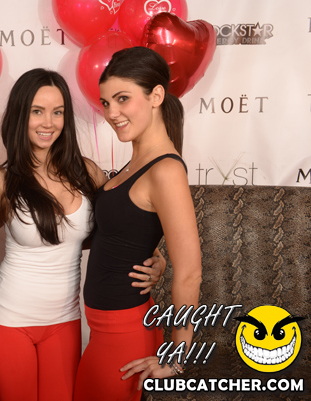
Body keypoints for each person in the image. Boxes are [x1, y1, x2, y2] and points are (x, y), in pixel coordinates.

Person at [0, 68, 166, 401]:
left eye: (58, 112)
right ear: (20, 115)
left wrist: (156, 256)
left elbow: (121, 227)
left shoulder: (86, 172)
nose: (48, 122)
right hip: (9, 320)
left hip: (66, 320)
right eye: (37, 111)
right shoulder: (2, 181)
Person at [73, 46, 202, 401]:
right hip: (103, 328)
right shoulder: (135, 163)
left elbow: (190, 273)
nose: (111, 113)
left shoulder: (166, 169)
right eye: (106, 103)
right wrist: (155, 254)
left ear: (156, 96)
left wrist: (177, 357)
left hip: (124, 333)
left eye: (123, 99)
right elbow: (126, 229)